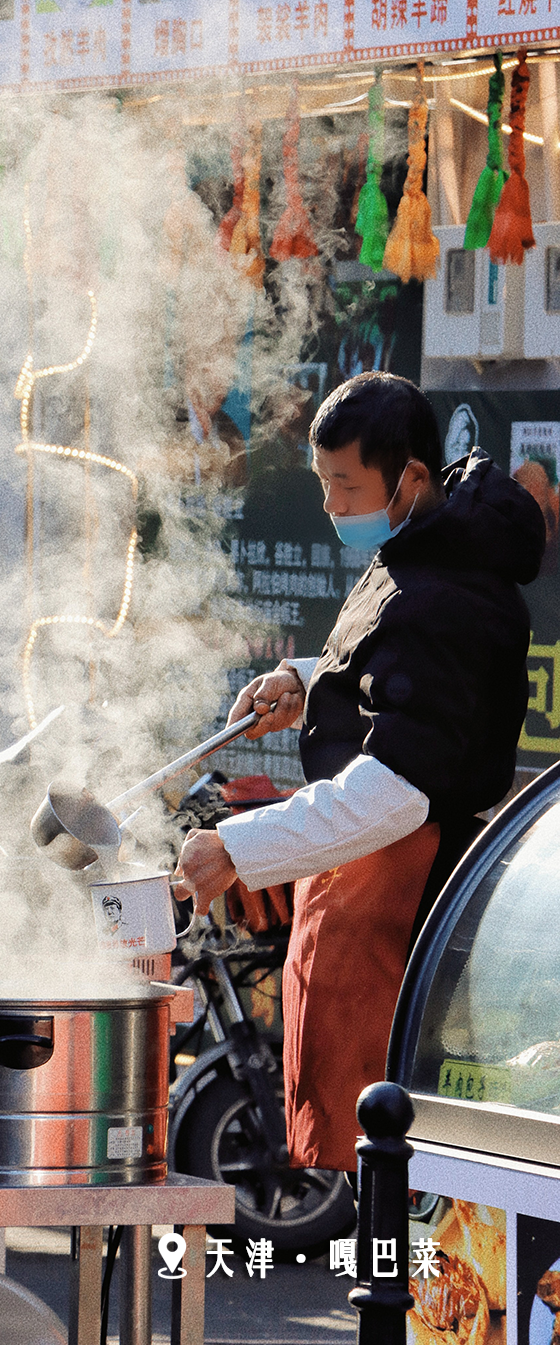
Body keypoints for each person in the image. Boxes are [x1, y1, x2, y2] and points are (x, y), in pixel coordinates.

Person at [175, 371, 546, 1173]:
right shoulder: (418, 545)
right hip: (363, 876)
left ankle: (383, 1286)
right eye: (323, 483)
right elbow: (394, 672)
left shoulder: (447, 593)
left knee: (387, 1150)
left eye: (347, 485)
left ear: (411, 477)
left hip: (403, 891)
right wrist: (312, 681)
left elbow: (393, 793)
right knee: (360, 1145)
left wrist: (236, 847)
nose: (332, 506)